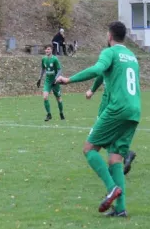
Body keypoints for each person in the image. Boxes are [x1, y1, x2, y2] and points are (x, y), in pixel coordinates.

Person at [56, 21, 141, 217]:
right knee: (115, 159)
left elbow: (97, 70)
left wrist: (69, 80)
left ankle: (111, 188)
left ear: (110, 36)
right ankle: (120, 209)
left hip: (117, 109)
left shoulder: (109, 52)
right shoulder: (132, 56)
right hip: (135, 110)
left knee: (89, 149)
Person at [86, 75, 136, 175]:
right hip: (120, 104)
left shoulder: (111, 61)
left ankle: (123, 156)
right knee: (109, 135)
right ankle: (124, 156)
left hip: (108, 105)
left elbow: (99, 72)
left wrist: (92, 90)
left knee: (94, 140)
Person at [36, 45, 65, 121]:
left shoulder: (55, 59)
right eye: (46, 49)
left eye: (48, 49)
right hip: (48, 81)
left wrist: (56, 79)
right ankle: (49, 114)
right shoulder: (44, 59)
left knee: (58, 98)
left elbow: (59, 70)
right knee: (45, 97)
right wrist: (39, 78)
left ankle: (61, 113)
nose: (47, 51)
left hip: (55, 82)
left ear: (51, 50)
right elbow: (43, 69)